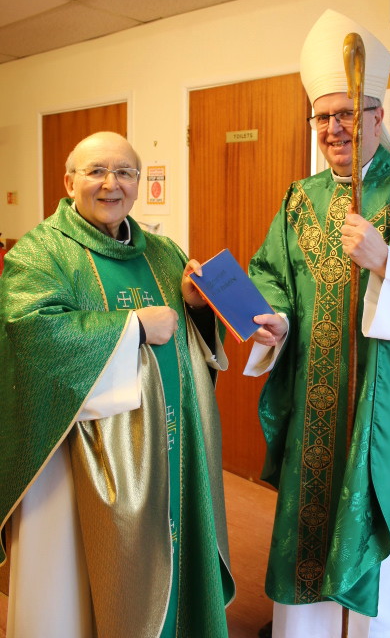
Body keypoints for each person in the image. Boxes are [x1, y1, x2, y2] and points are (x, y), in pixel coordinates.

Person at [244, 10, 390, 638]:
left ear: (377, 115)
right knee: (308, 529)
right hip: (314, 404)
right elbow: (271, 274)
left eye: (347, 113)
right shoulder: (300, 198)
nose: (334, 128)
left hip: (389, 405)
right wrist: (276, 321)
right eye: (322, 117)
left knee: (384, 544)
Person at [0, 131, 235, 638]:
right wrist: (131, 329)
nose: (112, 184)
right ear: (69, 183)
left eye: (125, 173)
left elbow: (188, 343)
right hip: (74, 461)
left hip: (167, 448)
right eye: (96, 171)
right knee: (76, 595)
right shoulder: (40, 252)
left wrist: (195, 307)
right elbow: (29, 332)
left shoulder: (163, 251)